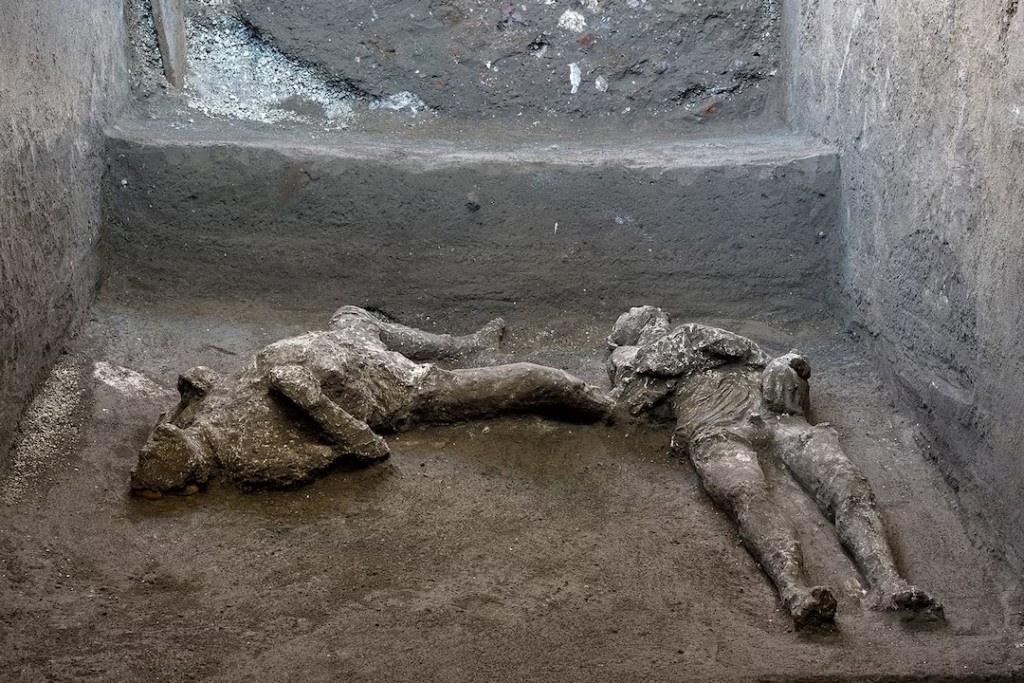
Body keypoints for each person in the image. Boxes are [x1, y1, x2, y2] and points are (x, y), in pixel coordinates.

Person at [607, 306, 942, 628]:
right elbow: (622, 407)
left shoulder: (708, 338)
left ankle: (889, 582)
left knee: (847, 484)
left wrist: (790, 364)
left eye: (654, 317)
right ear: (627, 339)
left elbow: (778, 362)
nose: (654, 321)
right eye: (641, 322)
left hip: (776, 415)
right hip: (714, 429)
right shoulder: (631, 362)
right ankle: (794, 591)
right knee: (748, 494)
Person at [131, 306, 612, 496]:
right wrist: (312, 402)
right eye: (181, 440)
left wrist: (188, 401)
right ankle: (616, 408)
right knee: (531, 379)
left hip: (344, 346)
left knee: (354, 314)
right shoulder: (252, 460)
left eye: (176, 431)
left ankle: (465, 345)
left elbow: (195, 381)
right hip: (398, 389)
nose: (181, 430)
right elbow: (370, 450)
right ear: (197, 468)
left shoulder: (199, 420)